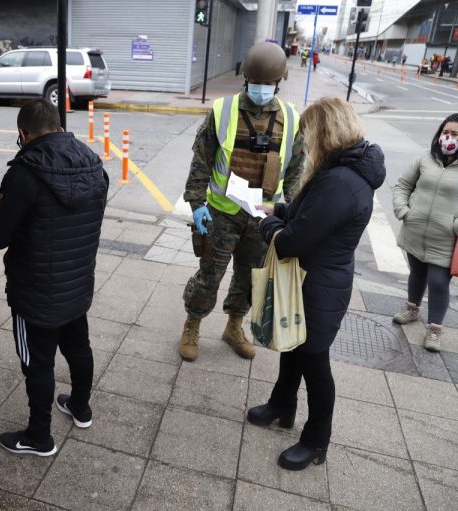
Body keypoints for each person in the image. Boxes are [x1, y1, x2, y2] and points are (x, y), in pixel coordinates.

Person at [248, 97, 385, 470]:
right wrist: (277, 210)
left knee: (315, 364)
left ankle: (316, 441)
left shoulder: (341, 180)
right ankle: (282, 404)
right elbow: (308, 215)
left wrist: (266, 224)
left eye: (307, 133)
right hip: (312, 277)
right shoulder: (340, 168)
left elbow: (294, 241)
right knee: (293, 347)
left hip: (320, 285)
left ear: (325, 132)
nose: (304, 141)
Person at [0, 99, 108, 456]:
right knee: (79, 348)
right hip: (77, 284)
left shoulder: (24, 174)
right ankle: (80, 407)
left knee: (37, 363)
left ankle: (39, 438)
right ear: (59, 127)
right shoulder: (94, 165)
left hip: (34, 292)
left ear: (24, 133)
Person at [179, 41, 304, 362]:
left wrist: (288, 211)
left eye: (268, 83)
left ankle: (234, 326)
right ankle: (192, 324)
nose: (261, 88)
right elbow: (202, 161)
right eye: (256, 82)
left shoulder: (292, 118)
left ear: (278, 82)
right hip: (222, 213)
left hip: (263, 217)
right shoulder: (223, 110)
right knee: (210, 273)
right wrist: (197, 203)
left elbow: (295, 170)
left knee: (250, 277)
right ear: (246, 78)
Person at [392, 114, 458, 351]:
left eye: (454, 134)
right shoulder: (428, 156)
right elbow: (403, 184)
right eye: (445, 132)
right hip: (416, 229)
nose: (448, 137)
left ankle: (435, 329)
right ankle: (412, 309)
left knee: (438, 282)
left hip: (448, 237)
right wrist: (403, 210)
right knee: (416, 273)